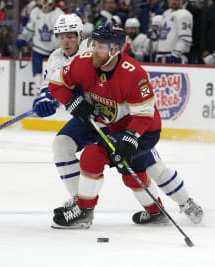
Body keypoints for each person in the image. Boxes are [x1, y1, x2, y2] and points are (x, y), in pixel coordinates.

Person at [48, 23, 203, 229]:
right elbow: (55, 82)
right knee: (133, 172)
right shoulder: (84, 62)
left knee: (101, 157)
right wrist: (72, 102)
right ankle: (156, 213)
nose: (94, 50)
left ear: (116, 49)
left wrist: (131, 137)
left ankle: (85, 211)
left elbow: (145, 114)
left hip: (144, 129)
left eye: (101, 46)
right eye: (94, 44)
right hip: (113, 126)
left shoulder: (133, 74)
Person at [15, 0, 64, 91]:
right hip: (38, 49)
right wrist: (22, 38)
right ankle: (39, 92)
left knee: (55, 75)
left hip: (53, 51)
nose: (45, 6)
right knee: (37, 73)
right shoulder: (35, 12)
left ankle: (54, 95)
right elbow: (29, 29)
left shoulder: (59, 15)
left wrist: (58, 47)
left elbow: (62, 35)